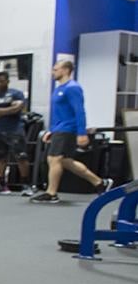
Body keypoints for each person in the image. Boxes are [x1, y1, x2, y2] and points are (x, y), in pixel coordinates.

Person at [29, 60, 110, 204]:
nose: (53, 72)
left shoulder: (73, 88)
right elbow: (59, 113)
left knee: (53, 159)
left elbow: (79, 111)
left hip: (68, 129)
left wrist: (81, 133)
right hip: (60, 129)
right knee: (66, 161)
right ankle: (99, 182)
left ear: (66, 70)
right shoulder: (58, 88)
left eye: (56, 69)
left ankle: (51, 193)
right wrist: (51, 131)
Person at [0, 72, 32, 195]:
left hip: (15, 130)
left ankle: (26, 186)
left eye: (1, 81)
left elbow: (16, 109)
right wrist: (5, 111)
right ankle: (2, 186)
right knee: (0, 159)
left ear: (7, 81)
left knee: (21, 158)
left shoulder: (16, 94)